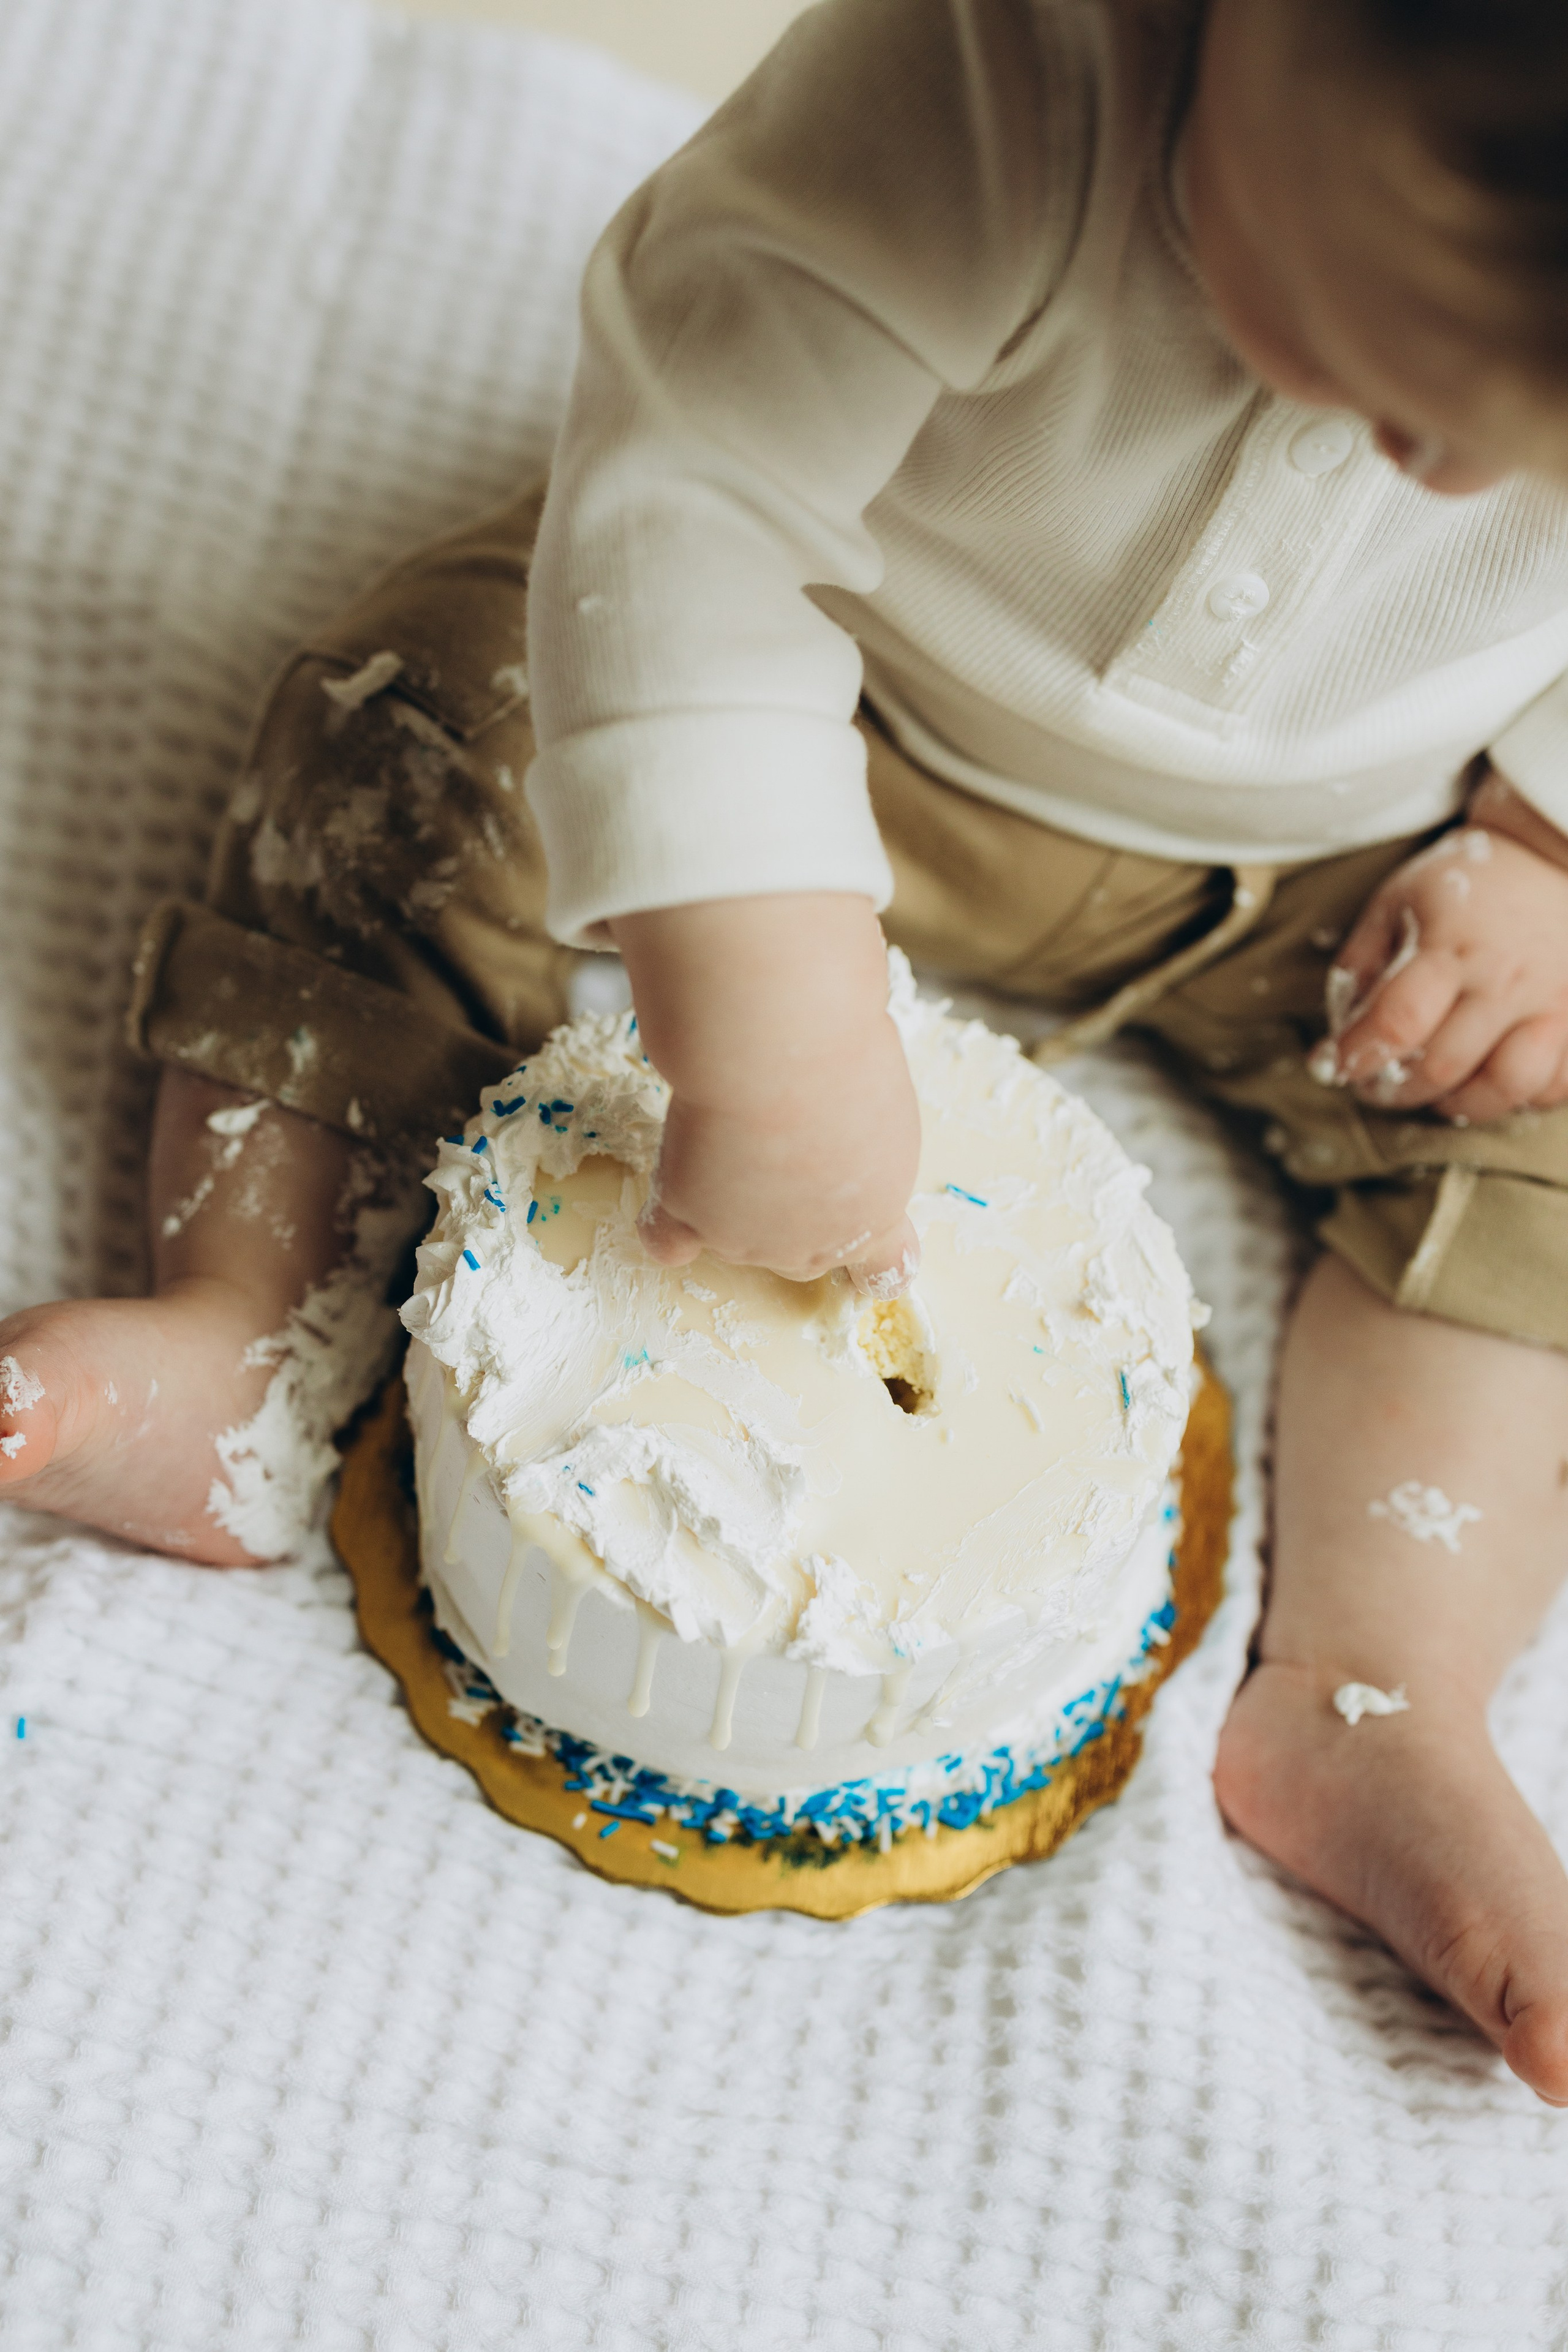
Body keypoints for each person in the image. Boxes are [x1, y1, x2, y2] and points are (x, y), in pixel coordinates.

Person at [6, 0, 1568, 2098]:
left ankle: (1385, 1683)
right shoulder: (997, 73)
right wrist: (761, 1001)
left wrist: (1546, 839)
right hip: (830, 698)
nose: (1444, 474)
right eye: (1377, 357)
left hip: (1348, 859)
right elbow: (692, 502)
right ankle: (243, 1324)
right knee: (413, 731)